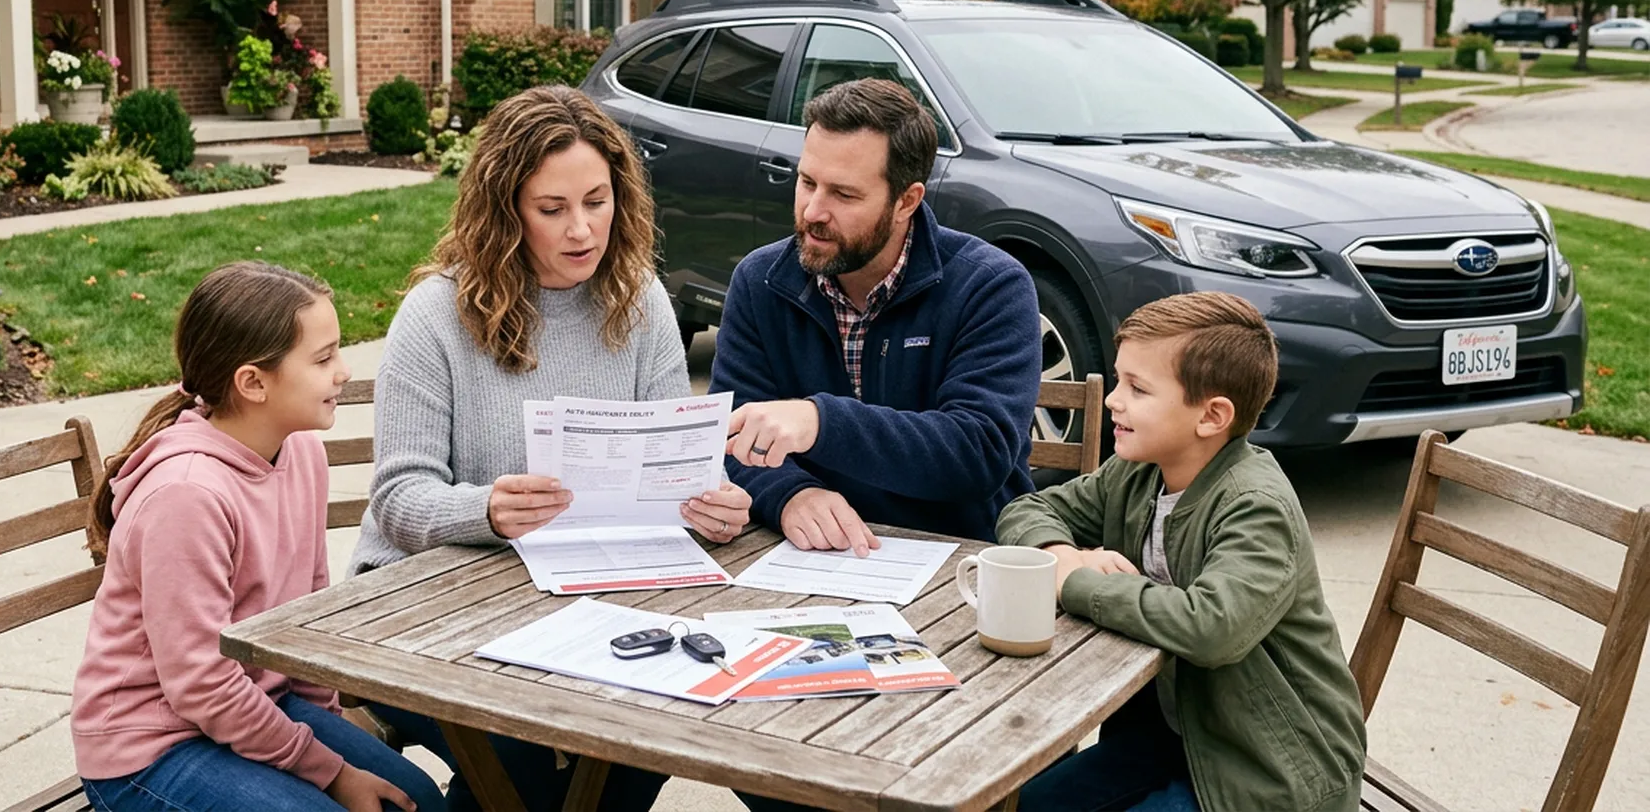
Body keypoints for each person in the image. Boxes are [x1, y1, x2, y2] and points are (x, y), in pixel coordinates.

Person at [352, 84, 752, 810]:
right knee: (529, 753)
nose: (582, 231)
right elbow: (399, 499)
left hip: (583, 599)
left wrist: (708, 500)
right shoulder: (435, 314)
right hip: (423, 605)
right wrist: (490, 510)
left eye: (597, 202)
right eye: (552, 209)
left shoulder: (639, 299)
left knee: (652, 731)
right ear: (505, 210)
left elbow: (671, 464)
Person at [72, 262, 445, 812]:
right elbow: (200, 685)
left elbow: (305, 615)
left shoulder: (300, 451)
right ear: (252, 382)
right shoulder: (187, 494)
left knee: (413, 802)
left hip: (255, 705)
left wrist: (327, 725)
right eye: (323, 358)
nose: (343, 371)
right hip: (149, 751)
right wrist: (330, 772)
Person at [998, 292, 1367, 812]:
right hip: (1170, 737)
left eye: (1138, 389)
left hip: (1266, 769)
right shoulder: (1139, 470)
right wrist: (1062, 555)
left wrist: (1076, 584)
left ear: (1212, 416)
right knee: (1022, 805)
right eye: (1119, 380)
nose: (1112, 401)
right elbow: (1026, 510)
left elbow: (1212, 628)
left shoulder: (1255, 507)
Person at [713, 77, 1042, 553]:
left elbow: (978, 453)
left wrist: (820, 422)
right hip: (808, 558)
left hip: (962, 560)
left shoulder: (990, 285)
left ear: (906, 201)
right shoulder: (760, 280)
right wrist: (790, 495)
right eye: (807, 182)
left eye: (844, 195)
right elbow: (731, 439)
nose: (813, 211)